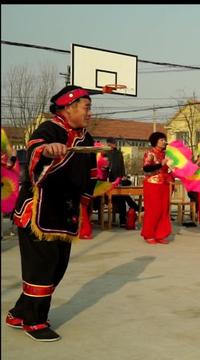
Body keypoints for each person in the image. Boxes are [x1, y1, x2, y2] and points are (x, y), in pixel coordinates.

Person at [6, 85, 96, 341]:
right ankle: (34, 321)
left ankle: (19, 313)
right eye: (86, 107)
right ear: (68, 107)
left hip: (65, 213)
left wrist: (85, 200)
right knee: (41, 268)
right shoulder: (49, 129)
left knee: (57, 267)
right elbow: (35, 149)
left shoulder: (86, 138)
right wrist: (48, 150)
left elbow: (89, 174)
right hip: (39, 211)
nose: (90, 113)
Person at [141, 132, 172, 245]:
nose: (164, 142)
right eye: (161, 140)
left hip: (164, 184)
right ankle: (149, 234)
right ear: (155, 141)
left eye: (164, 140)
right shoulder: (150, 153)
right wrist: (161, 164)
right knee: (153, 210)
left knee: (164, 210)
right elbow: (146, 168)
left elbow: (167, 169)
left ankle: (160, 234)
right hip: (152, 184)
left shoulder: (165, 154)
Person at [106, 137, 139, 227]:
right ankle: (137, 209)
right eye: (113, 143)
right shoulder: (105, 153)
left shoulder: (118, 153)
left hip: (118, 180)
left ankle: (124, 220)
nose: (115, 144)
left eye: (115, 142)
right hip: (108, 183)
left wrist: (123, 176)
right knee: (123, 197)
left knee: (122, 196)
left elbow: (122, 166)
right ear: (108, 143)